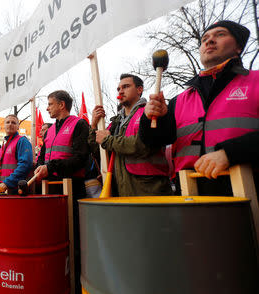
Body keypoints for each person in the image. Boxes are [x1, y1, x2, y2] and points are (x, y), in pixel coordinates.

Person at [140, 20, 258, 195]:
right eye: (204, 39)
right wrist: (151, 118)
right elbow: (152, 142)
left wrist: (231, 153)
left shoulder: (256, 81)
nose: (209, 41)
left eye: (220, 34)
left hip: (249, 191)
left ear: (238, 47)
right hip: (190, 197)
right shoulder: (180, 99)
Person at [35, 90, 90, 294]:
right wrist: (40, 167)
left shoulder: (79, 124)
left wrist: (53, 166)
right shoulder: (48, 131)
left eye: (50, 104)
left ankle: (76, 283)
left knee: (74, 237)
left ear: (62, 105)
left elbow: (81, 157)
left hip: (72, 185)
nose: (47, 108)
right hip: (50, 186)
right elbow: (42, 156)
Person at [89, 74, 172, 196]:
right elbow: (98, 151)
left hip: (148, 189)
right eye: (118, 89)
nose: (121, 91)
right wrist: (94, 126)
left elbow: (144, 145)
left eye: (126, 87)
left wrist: (108, 140)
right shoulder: (115, 123)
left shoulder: (150, 112)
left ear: (139, 89)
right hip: (120, 190)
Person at [0, 115, 33, 194]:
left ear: (18, 127)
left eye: (13, 122)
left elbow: (25, 165)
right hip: (3, 189)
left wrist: (7, 183)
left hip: (17, 189)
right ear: (4, 126)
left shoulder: (22, 141)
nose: (10, 124)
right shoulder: (4, 145)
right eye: (7, 122)